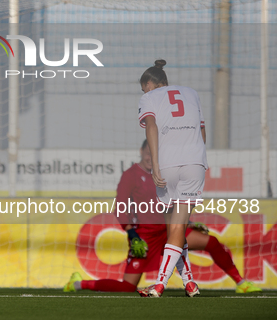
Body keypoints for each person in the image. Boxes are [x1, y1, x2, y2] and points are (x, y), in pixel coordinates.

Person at [63, 140, 262, 295]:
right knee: (127, 287)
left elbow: (170, 206)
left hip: (168, 231)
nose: (151, 157)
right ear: (142, 152)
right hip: (145, 237)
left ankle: (241, 283)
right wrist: (132, 234)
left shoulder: (163, 174)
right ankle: (78, 283)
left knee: (211, 242)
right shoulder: (130, 175)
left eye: (155, 154)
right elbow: (120, 208)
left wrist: (188, 222)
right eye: (148, 153)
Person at [136, 59, 207, 298]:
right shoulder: (192, 93)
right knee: (177, 229)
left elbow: (151, 127)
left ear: (151, 85)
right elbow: (201, 130)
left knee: (173, 227)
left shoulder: (150, 98)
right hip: (194, 164)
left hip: (167, 166)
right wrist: (194, 158)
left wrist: (155, 165)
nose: (145, 93)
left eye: (145, 89)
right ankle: (189, 282)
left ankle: (159, 284)